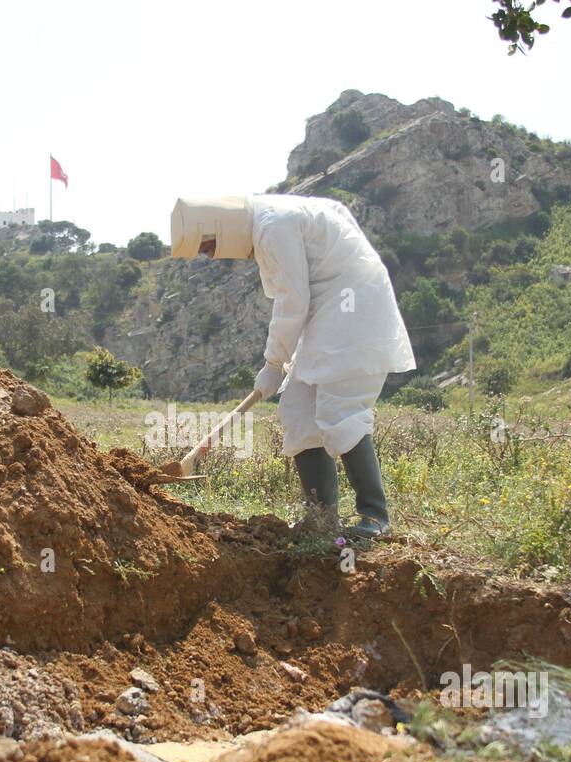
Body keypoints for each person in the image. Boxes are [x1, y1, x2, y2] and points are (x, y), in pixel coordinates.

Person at [171, 195, 416, 538]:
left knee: (340, 409)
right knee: (298, 412)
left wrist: (274, 362)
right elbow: (336, 213)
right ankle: (321, 519)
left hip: (354, 311)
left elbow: (293, 300)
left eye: (209, 246)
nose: (212, 255)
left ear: (220, 226)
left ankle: (375, 516)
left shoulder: (273, 226)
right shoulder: (274, 218)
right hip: (328, 314)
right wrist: (284, 358)